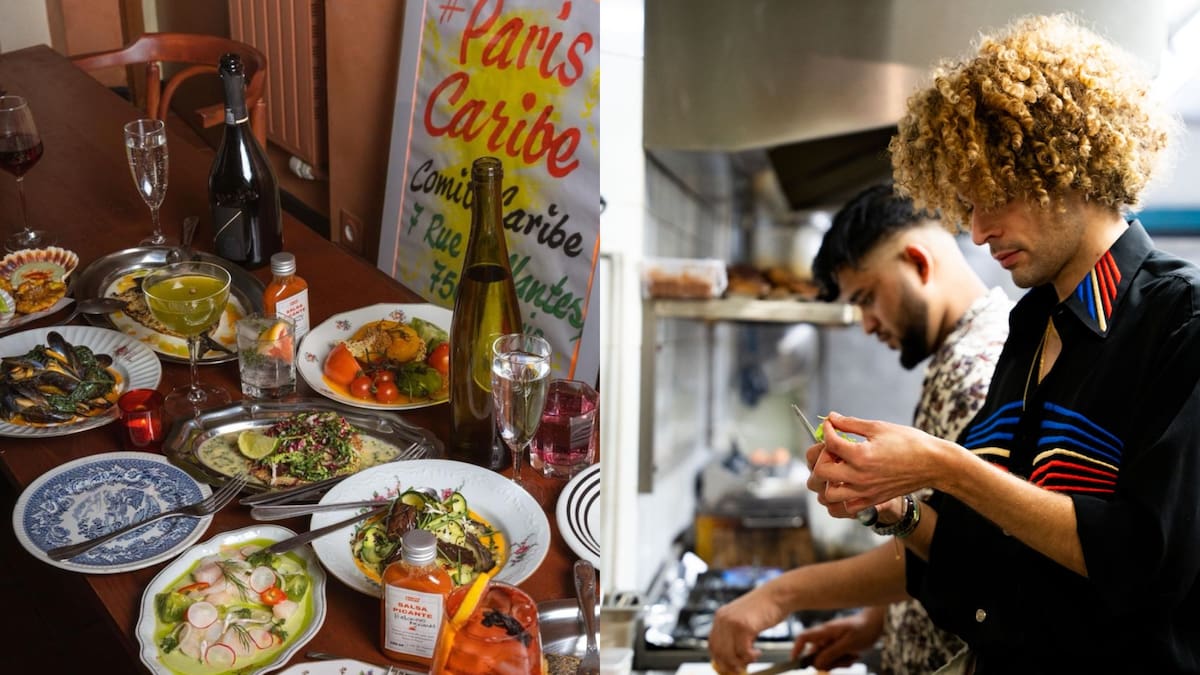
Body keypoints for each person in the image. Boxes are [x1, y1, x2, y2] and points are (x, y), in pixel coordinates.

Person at [807, 13, 1200, 673]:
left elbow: (1146, 558)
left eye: (999, 197)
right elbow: (993, 557)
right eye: (967, 204)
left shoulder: (1179, 321)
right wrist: (895, 509)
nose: (980, 231)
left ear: (1073, 160)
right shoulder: (1030, 325)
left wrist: (942, 464)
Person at [708, 183, 1012, 674]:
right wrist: (875, 621)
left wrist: (779, 595)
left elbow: (967, 554)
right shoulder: (959, 356)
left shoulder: (979, 369)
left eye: (868, 298)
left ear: (918, 261)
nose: (867, 324)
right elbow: (934, 533)